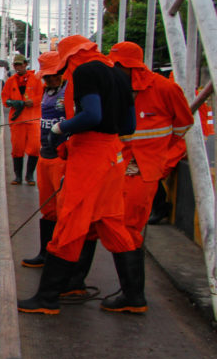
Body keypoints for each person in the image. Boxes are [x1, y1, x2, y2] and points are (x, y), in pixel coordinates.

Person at [18, 35, 138, 315]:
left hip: (91, 156)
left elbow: (92, 115)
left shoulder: (85, 71)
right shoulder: (117, 74)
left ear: (70, 57)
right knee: (111, 222)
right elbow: (129, 124)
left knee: (70, 221)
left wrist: (61, 129)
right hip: (113, 155)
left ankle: (47, 298)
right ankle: (134, 295)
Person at [101, 41, 193, 312]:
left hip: (143, 171)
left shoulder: (164, 88)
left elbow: (184, 124)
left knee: (127, 230)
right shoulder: (118, 89)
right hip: (120, 168)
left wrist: (164, 159)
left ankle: (133, 297)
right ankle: (131, 293)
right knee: (116, 226)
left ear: (128, 66)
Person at [21, 51, 66, 268]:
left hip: (62, 158)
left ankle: (60, 258)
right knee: (47, 208)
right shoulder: (47, 92)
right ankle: (44, 253)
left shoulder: (69, 93)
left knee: (63, 209)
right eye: (47, 77)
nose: (50, 80)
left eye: (54, 75)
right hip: (45, 156)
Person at [1, 54, 44, 185]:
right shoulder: (10, 81)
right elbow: (4, 98)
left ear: (25, 64)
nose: (18, 67)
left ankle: (30, 175)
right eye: (16, 65)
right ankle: (18, 176)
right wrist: (12, 102)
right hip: (17, 120)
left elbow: (42, 95)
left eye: (20, 64)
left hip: (33, 119)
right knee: (17, 148)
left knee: (35, 147)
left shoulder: (36, 79)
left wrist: (34, 101)